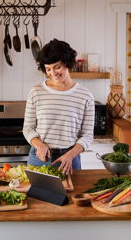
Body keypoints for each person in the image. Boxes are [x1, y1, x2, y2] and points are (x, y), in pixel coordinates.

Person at [23, 39, 95, 175]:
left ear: (68, 62)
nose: (53, 73)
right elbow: (28, 128)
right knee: (36, 196)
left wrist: (70, 155)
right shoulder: (36, 91)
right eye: (48, 69)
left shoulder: (85, 96)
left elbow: (87, 135)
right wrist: (39, 145)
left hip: (69, 159)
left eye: (57, 67)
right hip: (39, 158)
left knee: (70, 196)